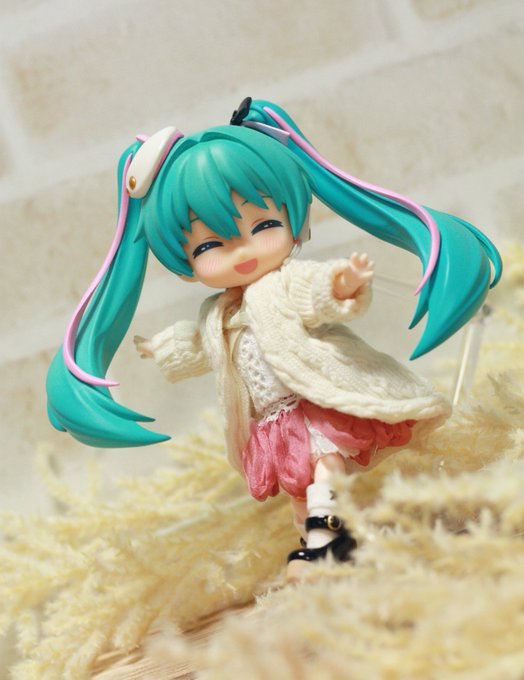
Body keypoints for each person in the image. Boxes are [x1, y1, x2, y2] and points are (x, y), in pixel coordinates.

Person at [47, 98, 502, 577]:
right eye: (210, 245)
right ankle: (319, 544)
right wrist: (159, 348)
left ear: (293, 220)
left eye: (263, 226)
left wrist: (341, 283)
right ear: (184, 264)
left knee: (327, 465)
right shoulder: (219, 314)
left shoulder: (284, 283)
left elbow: (315, 292)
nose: (242, 252)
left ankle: (327, 537)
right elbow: (202, 346)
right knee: (299, 486)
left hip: (318, 398)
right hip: (274, 420)